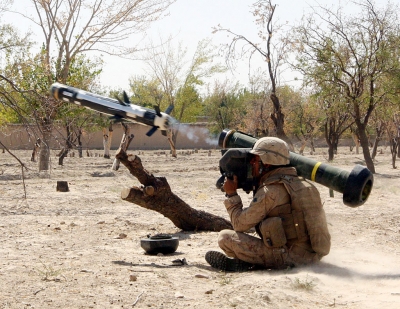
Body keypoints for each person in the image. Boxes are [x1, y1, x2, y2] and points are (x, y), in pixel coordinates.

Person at [205, 137, 331, 271]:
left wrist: (232, 194)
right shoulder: (306, 185)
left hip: (288, 258)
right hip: (313, 257)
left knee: (225, 237)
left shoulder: (271, 190)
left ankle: (252, 264)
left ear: (266, 163)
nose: (252, 163)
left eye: (255, 159)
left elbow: (239, 224)